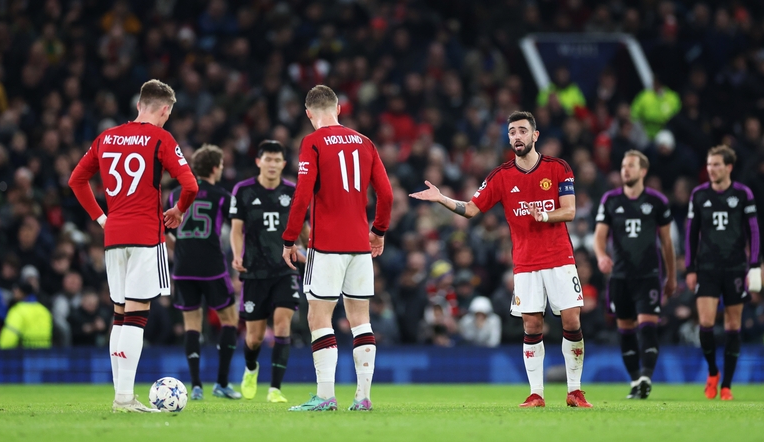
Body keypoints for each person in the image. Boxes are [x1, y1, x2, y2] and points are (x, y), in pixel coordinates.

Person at [411, 110, 592, 408]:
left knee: (571, 320)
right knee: (531, 326)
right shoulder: (501, 176)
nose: (517, 136)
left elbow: (570, 210)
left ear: (535, 135)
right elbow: (471, 209)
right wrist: (442, 199)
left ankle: (575, 391)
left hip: (560, 258)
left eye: (522, 130)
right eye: (512, 132)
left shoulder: (558, 168)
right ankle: (536, 394)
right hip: (525, 263)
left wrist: (545, 215)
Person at [69, 79, 198, 413]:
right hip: (145, 235)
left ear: (139, 104)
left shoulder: (106, 137)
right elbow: (190, 185)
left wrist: (101, 218)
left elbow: (76, 180)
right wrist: (178, 210)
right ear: (165, 110)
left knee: (120, 314)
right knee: (137, 316)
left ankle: (121, 395)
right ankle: (125, 398)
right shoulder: (161, 138)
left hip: (113, 236)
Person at [281, 85, 393, 411]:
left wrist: (289, 238)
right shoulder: (365, 142)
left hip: (326, 245)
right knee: (361, 320)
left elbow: (302, 195)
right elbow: (386, 194)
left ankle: (326, 395)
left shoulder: (312, 142)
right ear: (338, 109)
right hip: (360, 246)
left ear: (308, 113)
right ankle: (363, 397)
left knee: (319, 317)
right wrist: (378, 231)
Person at [593, 150, 676, 399]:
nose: (625, 170)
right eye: (623, 166)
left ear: (643, 171)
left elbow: (667, 243)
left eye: (630, 166)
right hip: (619, 277)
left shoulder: (657, 201)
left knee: (648, 327)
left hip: (648, 275)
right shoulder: (610, 200)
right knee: (626, 329)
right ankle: (635, 380)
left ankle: (646, 377)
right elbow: (599, 236)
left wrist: (671, 276)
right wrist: (601, 256)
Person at [685, 145, 761, 401]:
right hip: (707, 267)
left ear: (729, 167)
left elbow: (753, 231)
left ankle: (727, 385)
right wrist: (690, 267)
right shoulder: (699, 194)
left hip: (735, 267)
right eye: (709, 164)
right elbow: (691, 233)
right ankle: (713, 372)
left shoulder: (742, 194)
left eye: (716, 164)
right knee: (706, 323)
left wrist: (754, 264)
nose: (711, 169)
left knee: (732, 325)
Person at [166, 144, 240, 401]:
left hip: (183, 268)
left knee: (191, 324)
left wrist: (181, 249)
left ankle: (196, 386)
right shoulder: (222, 196)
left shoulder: (176, 194)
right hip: (212, 267)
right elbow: (238, 228)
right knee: (229, 319)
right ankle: (221, 383)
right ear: (215, 167)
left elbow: (166, 231)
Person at [230, 140, 300, 403]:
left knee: (282, 324)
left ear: (284, 164)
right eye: (268, 159)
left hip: (285, 269)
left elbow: (303, 229)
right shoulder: (243, 190)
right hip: (254, 271)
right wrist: (237, 254)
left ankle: (275, 389)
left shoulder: (293, 191)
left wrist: (310, 250)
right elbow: (236, 229)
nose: (272, 164)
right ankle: (251, 369)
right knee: (254, 338)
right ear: (259, 162)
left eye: (277, 160)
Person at [0, 283, 52, 349]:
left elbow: (8, 339)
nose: (14, 292)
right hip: (43, 353)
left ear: (22, 293)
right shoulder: (44, 310)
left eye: (16, 290)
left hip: (24, 353)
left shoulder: (18, 310)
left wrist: (1, 351)